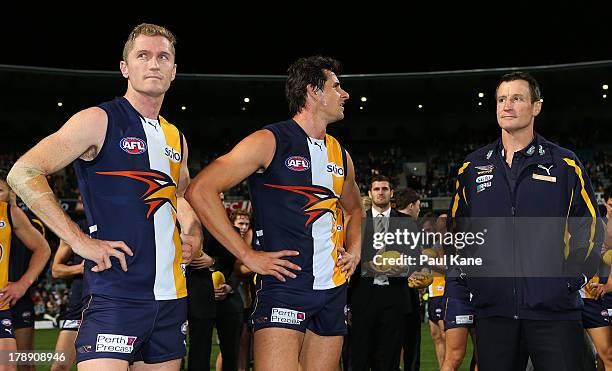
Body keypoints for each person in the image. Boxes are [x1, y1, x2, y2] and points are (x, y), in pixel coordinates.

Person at [7, 23, 201, 371]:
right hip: (116, 294)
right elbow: (23, 172)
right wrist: (79, 241)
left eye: (163, 57)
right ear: (125, 67)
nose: (153, 64)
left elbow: (179, 197)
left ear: (173, 71)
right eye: (143, 55)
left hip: (172, 298)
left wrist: (194, 233)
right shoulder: (99, 120)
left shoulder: (177, 138)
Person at [185, 56, 363, 371]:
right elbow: (200, 190)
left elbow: (355, 209)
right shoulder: (270, 141)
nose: (345, 94)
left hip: (333, 289)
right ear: (313, 92)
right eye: (337, 87)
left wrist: (356, 251)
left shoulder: (342, 155)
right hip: (285, 286)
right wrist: (246, 254)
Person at [450, 71, 603, 371]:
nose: (507, 106)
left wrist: (570, 280)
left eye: (517, 99)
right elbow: (459, 234)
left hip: (554, 312)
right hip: (494, 312)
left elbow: (590, 226)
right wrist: (473, 281)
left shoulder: (565, 164)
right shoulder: (472, 166)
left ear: (536, 107)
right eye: (501, 99)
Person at [0, 174, 51, 371]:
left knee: (20, 364)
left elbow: (43, 249)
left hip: (11, 298)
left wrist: (24, 283)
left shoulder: (12, 214)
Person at [49, 218, 88, 371]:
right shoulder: (74, 228)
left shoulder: (120, 222)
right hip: (78, 307)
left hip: (112, 304)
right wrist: (79, 269)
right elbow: (56, 270)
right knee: (59, 366)